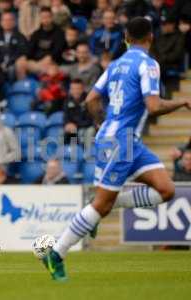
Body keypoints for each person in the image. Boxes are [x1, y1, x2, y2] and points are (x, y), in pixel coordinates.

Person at [42, 17, 191, 281]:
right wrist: (181, 104)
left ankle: (105, 204)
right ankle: (57, 252)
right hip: (121, 141)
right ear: (151, 37)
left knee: (166, 189)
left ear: (125, 36)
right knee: (101, 204)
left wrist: (101, 123)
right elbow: (154, 106)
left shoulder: (115, 65)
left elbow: (91, 99)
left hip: (124, 140)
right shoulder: (148, 64)